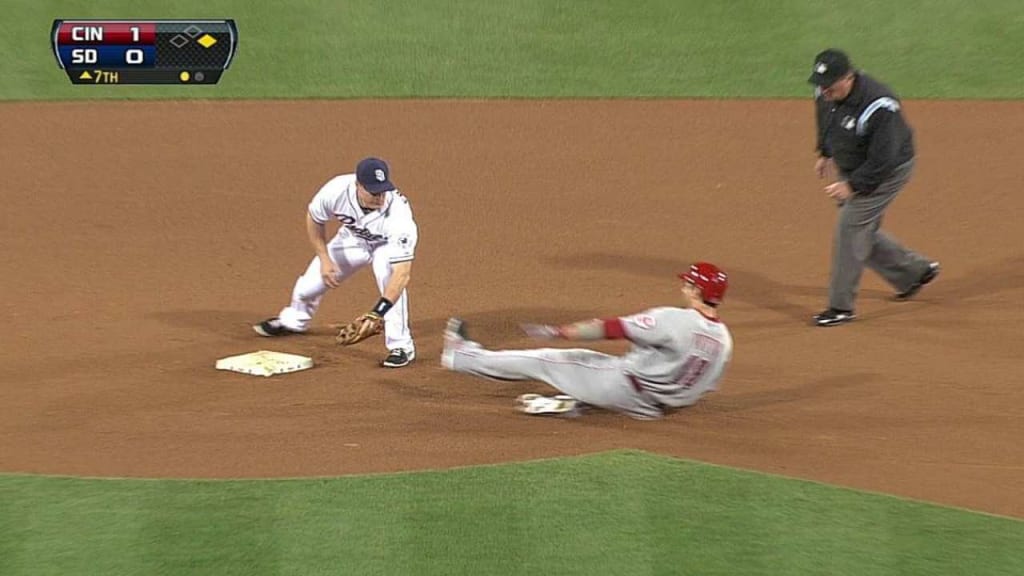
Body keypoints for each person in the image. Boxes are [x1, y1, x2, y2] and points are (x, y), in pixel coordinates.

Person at [440, 262, 734, 420]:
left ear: (696, 291)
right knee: (606, 369)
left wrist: (562, 333)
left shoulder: (676, 320)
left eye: (688, 283)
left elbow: (613, 328)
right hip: (654, 409)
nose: (684, 286)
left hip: (621, 388)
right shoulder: (724, 341)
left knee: (545, 361)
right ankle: (576, 403)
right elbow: (705, 386)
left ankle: (461, 355)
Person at [809, 48, 940, 327]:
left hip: (886, 172)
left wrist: (853, 186)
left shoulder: (880, 105)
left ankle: (840, 307)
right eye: (821, 85)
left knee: (851, 227)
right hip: (854, 162)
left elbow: (885, 159)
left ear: (848, 78)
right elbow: (826, 117)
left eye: (830, 86)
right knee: (860, 228)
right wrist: (824, 152)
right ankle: (912, 273)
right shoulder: (826, 90)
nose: (824, 91)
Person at [253, 157, 419, 368]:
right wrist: (324, 258)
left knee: (388, 275)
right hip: (352, 240)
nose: (380, 198)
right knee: (308, 287)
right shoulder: (336, 191)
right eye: (374, 192)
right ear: (358, 185)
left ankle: (401, 346)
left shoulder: (399, 217)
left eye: (383, 191)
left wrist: (377, 313)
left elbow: (401, 274)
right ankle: (293, 320)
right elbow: (314, 219)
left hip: (386, 246)